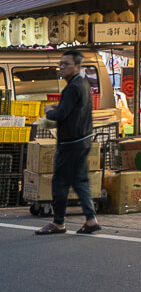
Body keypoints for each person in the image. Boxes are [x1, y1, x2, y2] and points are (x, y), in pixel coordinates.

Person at [35, 49, 100, 235]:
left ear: (77, 66)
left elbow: (61, 115)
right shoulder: (82, 84)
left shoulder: (72, 87)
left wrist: (49, 111)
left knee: (60, 182)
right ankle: (91, 219)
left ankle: (58, 222)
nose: (62, 67)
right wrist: (60, 106)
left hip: (70, 143)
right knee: (80, 181)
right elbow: (72, 109)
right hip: (83, 140)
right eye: (61, 64)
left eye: (66, 64)